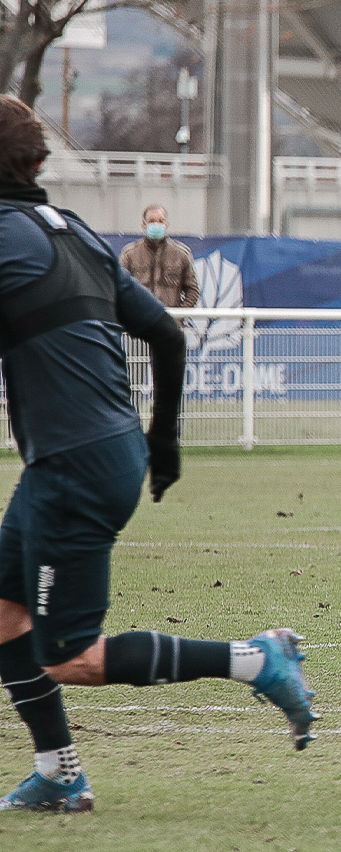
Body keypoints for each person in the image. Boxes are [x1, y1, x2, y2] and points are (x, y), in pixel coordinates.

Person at [0, 97, 316, 814]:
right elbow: (168, 337)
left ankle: (256, 660)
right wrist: (162, 444)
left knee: (69, 655)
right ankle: (58, 773)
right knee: (5, 614)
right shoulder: (72, 231)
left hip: (75, 468)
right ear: (42, 165)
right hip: (93, 455)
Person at [119, 204, 199, 308]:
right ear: (143, 225)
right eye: (152, 221)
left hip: (171, 320)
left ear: (166, 224)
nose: (156, 224)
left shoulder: (181, 254)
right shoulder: (129, 254)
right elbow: (120, 288)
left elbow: (192, 290)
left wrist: (178, 315)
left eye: (161, 221)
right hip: (139, 321)